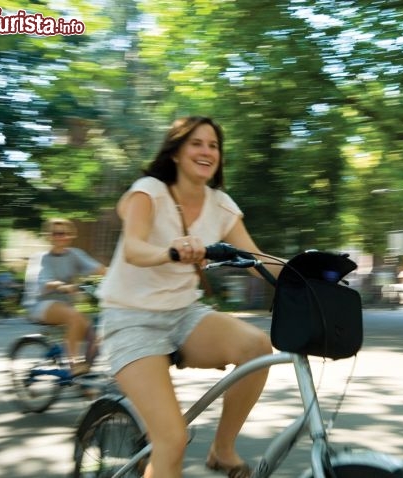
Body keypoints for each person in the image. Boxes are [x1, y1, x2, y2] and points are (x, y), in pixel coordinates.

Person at [97, 116, 281, 478]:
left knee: (257, 347)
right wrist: (172, 250)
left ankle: (222, 448)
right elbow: (133, 249)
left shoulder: (221, 205)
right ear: (177, 152)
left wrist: (312, 271)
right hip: (130, 318)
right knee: (172, 439)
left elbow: (257, 260)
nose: (207, 151)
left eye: (213, 145)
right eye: (197, 143)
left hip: (183, 314)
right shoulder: (148, 191)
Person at [21, 218, 106, 376]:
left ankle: (83, 379)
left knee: (94, 336)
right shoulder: (42, 258)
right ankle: (73, 366)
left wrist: (117, 276)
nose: (61, 236)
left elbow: (99, 269)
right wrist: (61, 285)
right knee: (74, 317)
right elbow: (44, 282)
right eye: (56, 233)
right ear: (49, 236)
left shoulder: (75, 254)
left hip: (65, 306)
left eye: (65, 233)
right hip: (41, 304)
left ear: (71, 236)